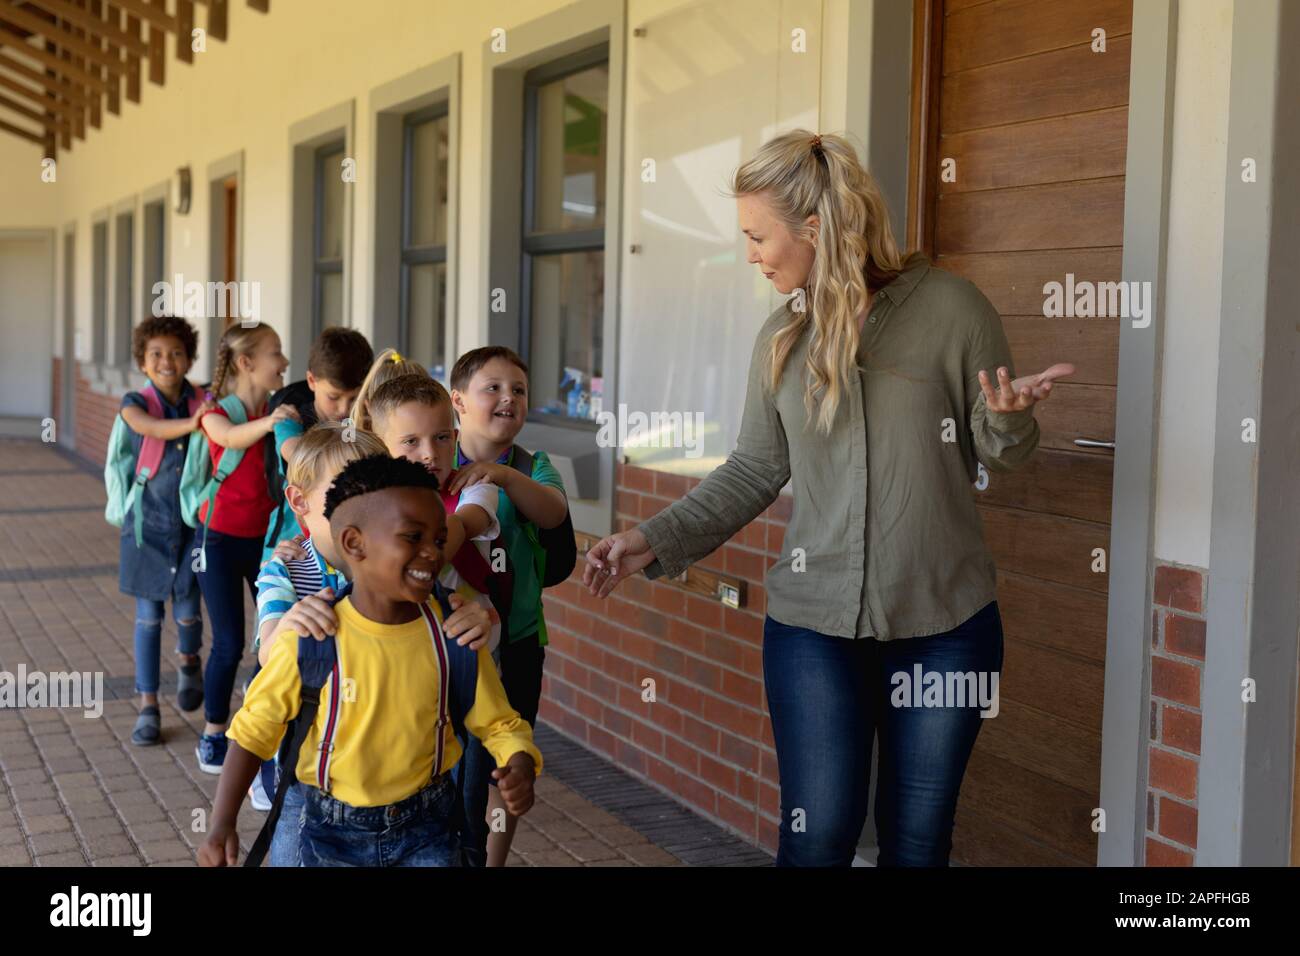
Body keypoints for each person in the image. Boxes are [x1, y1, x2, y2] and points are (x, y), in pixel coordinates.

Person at [583, 129, 1074, 867]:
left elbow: (996, 453)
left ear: (813, 228)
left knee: (917, 843)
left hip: (946, 626)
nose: (750, 254)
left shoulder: (953, 308)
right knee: (818, 839)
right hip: (813, 631)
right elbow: (753, 469)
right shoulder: (781, 338)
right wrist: (647, 539)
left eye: (757, 236)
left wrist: (1008, 418)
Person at [198, 455, 540, 867]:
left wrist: (518, 761)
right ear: (355, 543)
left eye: (438, 538)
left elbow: (499, 722)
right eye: (413, 537)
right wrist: (221, 823)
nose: (433, 553)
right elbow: (254, 731)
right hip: (330, 833)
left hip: (429, 830)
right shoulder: (313, 638)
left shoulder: (452, 635)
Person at [448, 346, 571, 866]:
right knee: (453, 764)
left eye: (518, 390)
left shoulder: (530, 465)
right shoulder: (435, 458)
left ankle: (490, 860)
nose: (508, 399)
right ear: (457, 401)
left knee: (509, 761)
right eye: (492, 388)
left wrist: (499, 477)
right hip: (454, 640)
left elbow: (552, 512)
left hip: (518, 642)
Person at [193, 322, 298, 774]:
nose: (284, 361)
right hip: (215, 541)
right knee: (229, 642)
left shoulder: (280, 409)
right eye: (276, 352)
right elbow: (227, 437)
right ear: (246, 363)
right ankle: (214, 734)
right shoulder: (216, 409)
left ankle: (258, 730)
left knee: (269, 640)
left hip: (263, 542)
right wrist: (269, 423)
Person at [113, 316, 213, 746]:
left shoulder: (206, 398)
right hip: (146, 527)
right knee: (149, 618)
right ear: (142, 361)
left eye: (175, 352)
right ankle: (148, 705)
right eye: (156, 354)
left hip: (193, 528)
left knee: (189, 612)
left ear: (189, 357)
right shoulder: (136, 401)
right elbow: (147, 428)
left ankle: (190, 658)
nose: (166, 361)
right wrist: (195, 423)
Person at [260, 326, 374, 564]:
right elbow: (299, 455)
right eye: (333, 397)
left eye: (354, 397)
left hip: (345, 550)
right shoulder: (290, 421)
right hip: (291, 547)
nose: (343, 409)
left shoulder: (365, 422)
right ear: (311, 380)